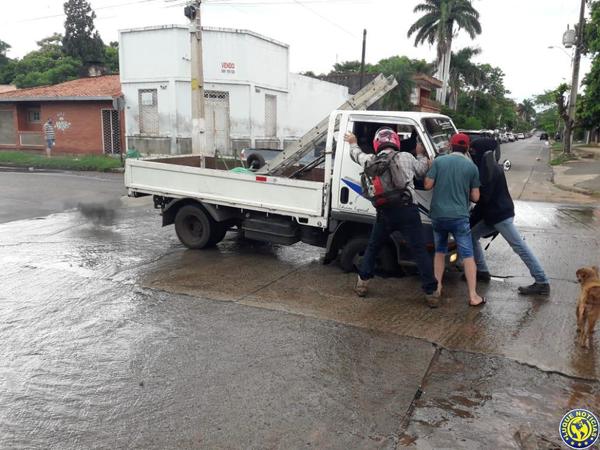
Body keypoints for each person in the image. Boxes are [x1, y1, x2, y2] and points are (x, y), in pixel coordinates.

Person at [344, 128, 440, 307]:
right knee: (419, 251)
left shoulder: (371, 159)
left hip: (385, 212)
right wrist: (420, 154)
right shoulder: (406, 156)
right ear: (395, 141)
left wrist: (352, 141)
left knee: (373, 247)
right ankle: (431, 293)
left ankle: (362, 284)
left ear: (377, 143)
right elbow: (421, 172)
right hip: (407, 211)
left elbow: (356, 154)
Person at [469, 140, 551, 295]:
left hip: (500, 216)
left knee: (519, 246)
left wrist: (472, 213)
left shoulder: (489, 170)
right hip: (494, 215)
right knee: (471, 236)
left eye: (473, 151)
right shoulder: (490, 167)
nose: (472, 154)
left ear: (483, 152)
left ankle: (542, 281)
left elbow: (483, 199)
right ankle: (482, 271)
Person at [424, 133, 485, 307]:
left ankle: (437, 288)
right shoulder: (471, 167)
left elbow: (428, 185)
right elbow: (475, 197)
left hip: (438, 216)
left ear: (450, 146)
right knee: (467, 255)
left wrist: (431, 167)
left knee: (440, 251)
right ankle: (473, 296)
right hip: (459, 217)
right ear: (467, 148)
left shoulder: (439, 161)